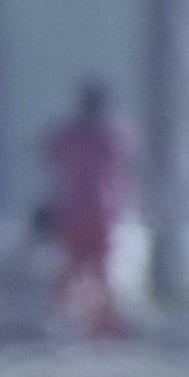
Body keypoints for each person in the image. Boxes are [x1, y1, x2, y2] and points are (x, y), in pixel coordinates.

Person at [39, 80, 137, 340]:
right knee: (98, 270)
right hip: (102, 212)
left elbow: (48, 156)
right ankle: (104, 324)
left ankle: (67, 319)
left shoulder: (70, 134)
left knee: (74, 268)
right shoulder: (116, 134)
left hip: (74, 210)